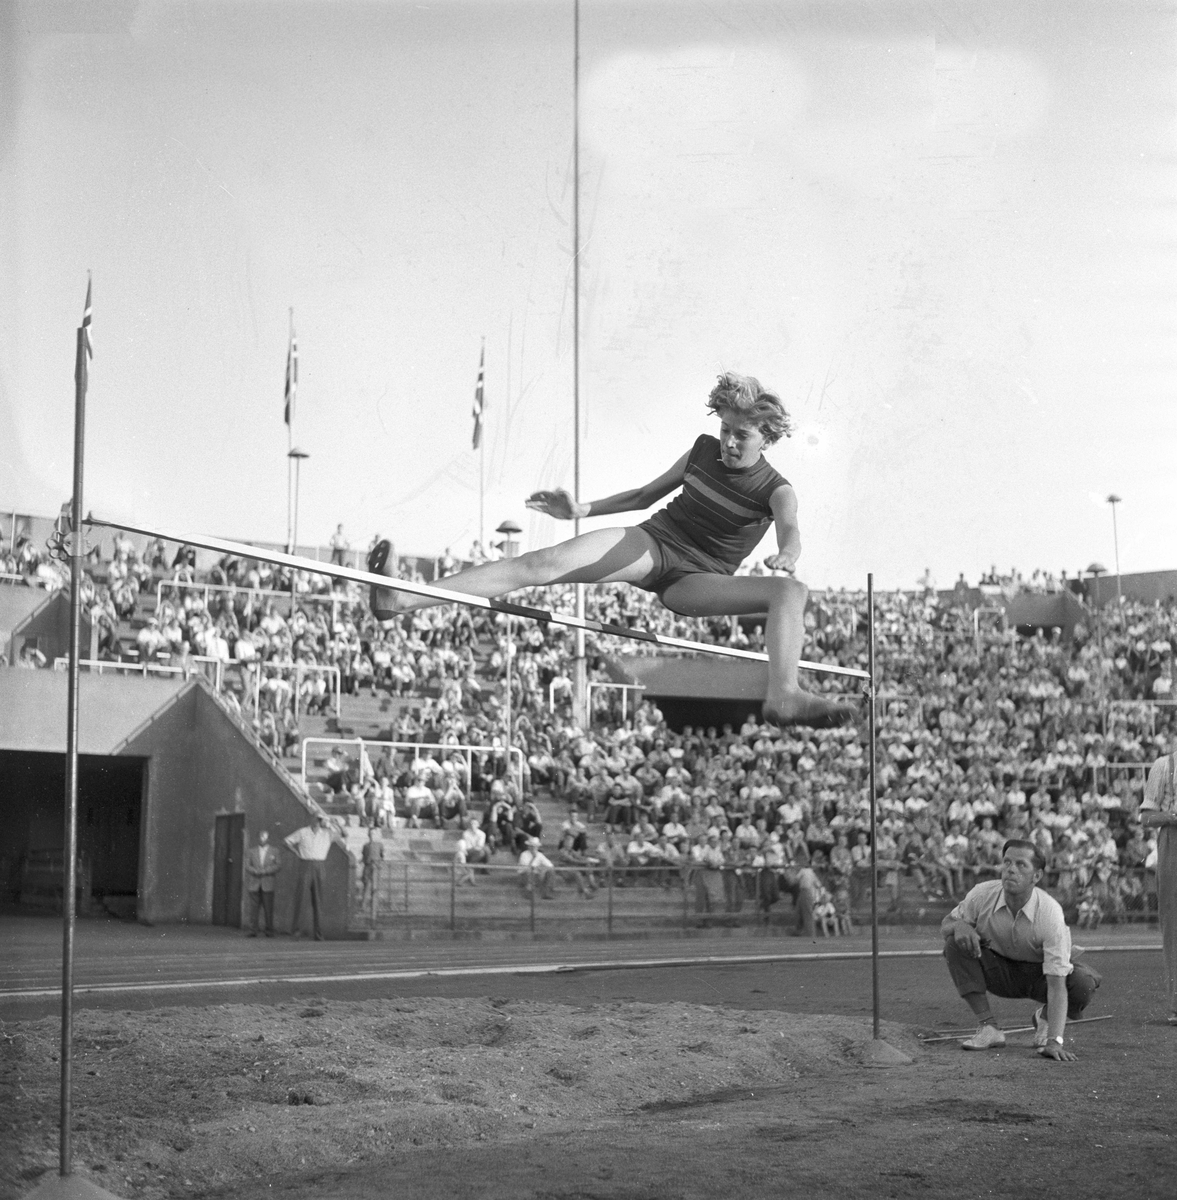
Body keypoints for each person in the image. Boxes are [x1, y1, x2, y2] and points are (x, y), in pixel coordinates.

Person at [368, 372, 856, 729]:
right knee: (542, 563)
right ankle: (402, 600)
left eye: (741, 435)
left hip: (698, 581)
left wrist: (787, 556)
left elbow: (790, 532)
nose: (728, 441)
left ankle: (784, 696)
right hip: (654, 543)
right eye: (726, 429)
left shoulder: (778, 488)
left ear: (766, 438)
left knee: (792, 592)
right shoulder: (702, 450)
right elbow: (645, 496)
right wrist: (581, 508)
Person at [941, 840, 1101, 1059]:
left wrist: (1055, 1041)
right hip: (996, 971)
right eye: (1006, 862)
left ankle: (1044, 1018)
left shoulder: (1050, 913)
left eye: (1021, 865)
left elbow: (1056, 984)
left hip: (1039, 976)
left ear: (1036, 876)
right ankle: (989, 1028)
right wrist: (959, 925)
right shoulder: (981, 894)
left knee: (1083, 983)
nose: (1010, 869)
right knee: (953, 944)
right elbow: (945, 924)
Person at [1140, 748, 1177, 1024]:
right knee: (1174, 926)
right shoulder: (1165, 765)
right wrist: (1173, 816)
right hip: (1173, 842)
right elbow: (1147, 817)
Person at [284, 813, 336, 940]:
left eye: (319, 820)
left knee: (319, 900)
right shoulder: (302, 832)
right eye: (316, 819)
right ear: (311, 819)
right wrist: (295, 852)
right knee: (301, 897)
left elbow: (345, 835)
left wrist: (335, 823)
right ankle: (296, 932)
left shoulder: (327, 833)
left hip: (319, 865)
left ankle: (319, 934)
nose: (317, 822)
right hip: (305, 864)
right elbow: (286, 841)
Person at [244, 829, 280, 937]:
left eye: (264, 837)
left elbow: (278, 865)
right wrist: (254, 871)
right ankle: (252, 930)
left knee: (268, 909)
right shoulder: (251, 851)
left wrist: (265, 871)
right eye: (260, 836)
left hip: (268, 884)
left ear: (268, 839)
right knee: (253, 909)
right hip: (254, 883)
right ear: (257, 838)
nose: (262, 839)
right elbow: (247, 865)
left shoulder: (275, 851)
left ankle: (269, 930)